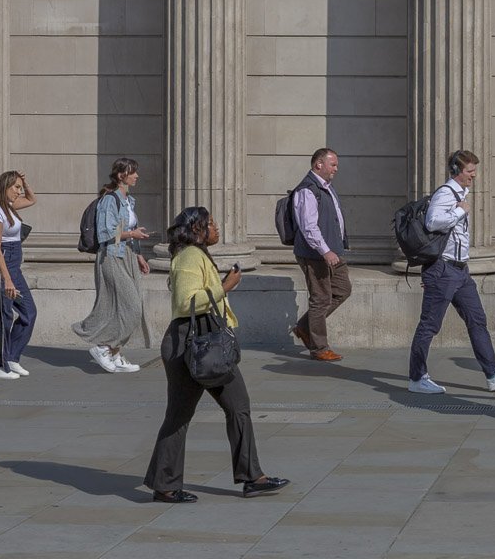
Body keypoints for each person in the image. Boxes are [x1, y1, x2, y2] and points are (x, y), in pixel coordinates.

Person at [143, 206, 289, 504]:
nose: (217, 227)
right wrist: (226, 286)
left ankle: (248, 477)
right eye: (210, 223)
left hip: (199, 339)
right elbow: (186, 303)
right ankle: (170, 484)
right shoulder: (189, 257)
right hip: (193, 342)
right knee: (186, 414)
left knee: (233, 407)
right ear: (197, 229)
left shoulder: (196, 255)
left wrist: (220, 286)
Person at [407, 150, 495, 395]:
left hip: (461, 271)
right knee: (429, 325)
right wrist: (460, 211)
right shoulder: (445, 194)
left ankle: (492, 374)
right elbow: (432, 222)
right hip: (443, 270)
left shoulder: (460, 194)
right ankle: (417, 378)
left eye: (474, 170)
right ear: (457, 170)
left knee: (477, 320)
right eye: (470, 171)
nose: (473, 175)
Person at [73, 157, 150, 373]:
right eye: (132, 172)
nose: (137, 175)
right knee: (131, 307)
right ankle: (103, 347)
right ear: (121, 175)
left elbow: (127, 233)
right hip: (111, 256)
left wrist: (138, 255)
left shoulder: (128, 201)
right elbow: (106, 233)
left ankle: (115, 353)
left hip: (126, 255)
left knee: (127, 308)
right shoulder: (110, 200)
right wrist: (131, 233)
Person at [290, 147, 351, 362]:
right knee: (321, 299)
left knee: (343, 290)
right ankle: (319, 347)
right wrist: (325, 251)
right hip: (315, 254)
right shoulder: (308, 190)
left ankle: (305, 327)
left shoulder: (326, 187)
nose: (336, 168)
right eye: (333, 164)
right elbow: (308, 227)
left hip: (333, 252)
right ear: (319, 165)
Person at [0, 171, 37, 381]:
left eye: (20, 187)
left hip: (13, 264)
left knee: (28, 312)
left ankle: (11, 357)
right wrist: (7, 279)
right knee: (3, 315)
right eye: (15, 187)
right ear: (4, 186)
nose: (19, 191)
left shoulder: (9, 207)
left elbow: (32, 199)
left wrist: (25, 182)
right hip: (1, 265)